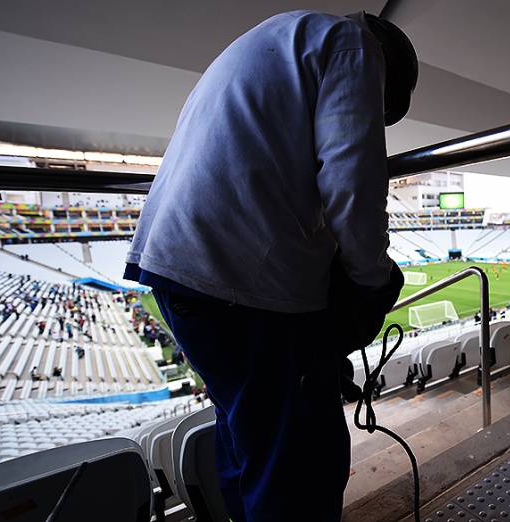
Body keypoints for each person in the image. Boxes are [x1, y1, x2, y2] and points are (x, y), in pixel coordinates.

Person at [123, 10, 416, 521]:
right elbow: (352, 181)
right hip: (239, 280)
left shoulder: (284, 36)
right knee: (299, 460)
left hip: (178, 266)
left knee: (248, 435)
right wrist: (372, 283)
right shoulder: (353, 46)